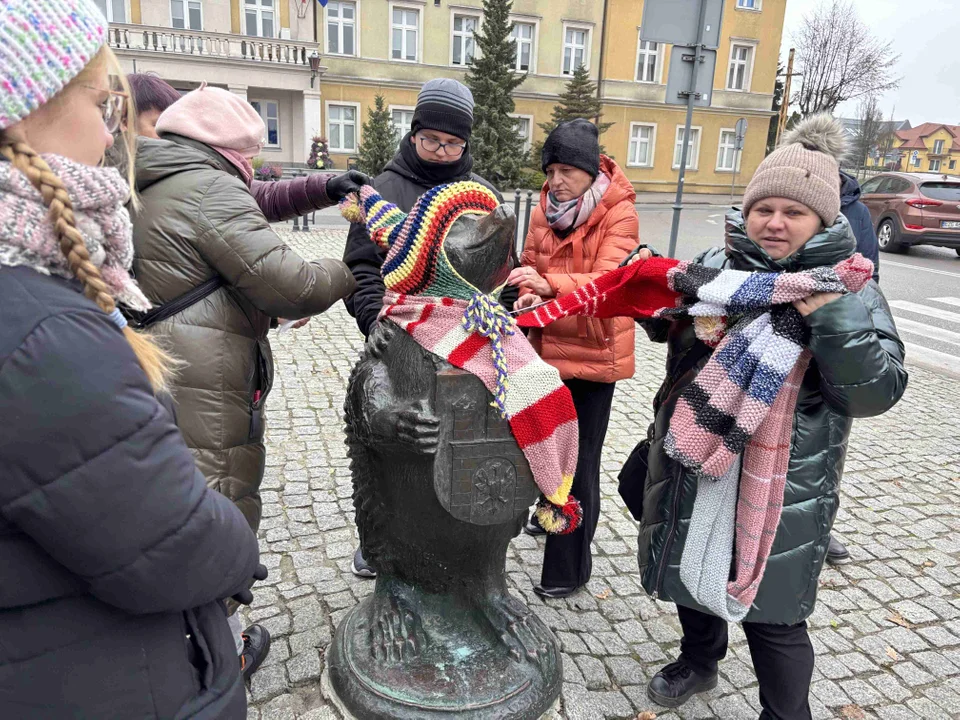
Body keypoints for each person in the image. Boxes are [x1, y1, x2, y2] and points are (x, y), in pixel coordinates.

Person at [0, 1, 263, 716]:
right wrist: (239, 549)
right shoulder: (39, 331)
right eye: (101, 99)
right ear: (25, 110)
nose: (111, 126)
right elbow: (166, 538)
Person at [636, 114, 907, 718]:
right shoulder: (718, 265)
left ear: (823, 219)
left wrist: (830, 319)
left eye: (794, 212)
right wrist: (650, 303)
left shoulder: (850, 289)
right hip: (699, 448)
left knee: (775, 616)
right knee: (690, 563)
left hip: (784, 479)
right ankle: (700, 660)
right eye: (765, 208)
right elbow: (678, 329)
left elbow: (879, 390)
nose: (775, 223)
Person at [129, 84, 358, 677]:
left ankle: (181, 643)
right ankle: (215, 657)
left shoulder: (153, 173)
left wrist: (321, 186)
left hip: (157, 364)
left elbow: (254, 202)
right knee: (219, 501)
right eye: (247, 159)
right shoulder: (208, 188)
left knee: (174, 501)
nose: (251, 170)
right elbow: (292, 283)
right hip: (203, 371)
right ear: (229, 154)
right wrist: (353, 269)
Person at [342, 77, 517, 578]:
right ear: (414, 132)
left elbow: (497, 268)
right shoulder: (384, 188)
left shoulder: (480, 194)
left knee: (453, 438)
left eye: (453, 143)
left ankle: (462, 542)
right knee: (391, 444)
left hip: (464, 345)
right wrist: (374, 317)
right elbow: (361, 267)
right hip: (400, 341)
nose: (442, 152)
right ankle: (386, 546)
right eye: (431, 140)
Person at [509, 119, 638, 599]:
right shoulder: (545, 208)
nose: (556, 181)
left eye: (567, 171)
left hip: (592, 351)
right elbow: (529, 263)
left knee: (580, 460)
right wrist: (525, 292)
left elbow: (610, 283)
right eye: (551, 170)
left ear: (591, 171)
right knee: (541, 441)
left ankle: (569, 568)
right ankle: (547, 513)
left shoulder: (619, 214)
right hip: (543, 348)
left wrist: (550, 286)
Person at [116, 72, 369, 225]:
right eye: (159, 125)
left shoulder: (191, 175)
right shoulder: (109, 191)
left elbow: (263, 195)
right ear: (124, 124)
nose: (174, 137)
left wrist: (328, 187)